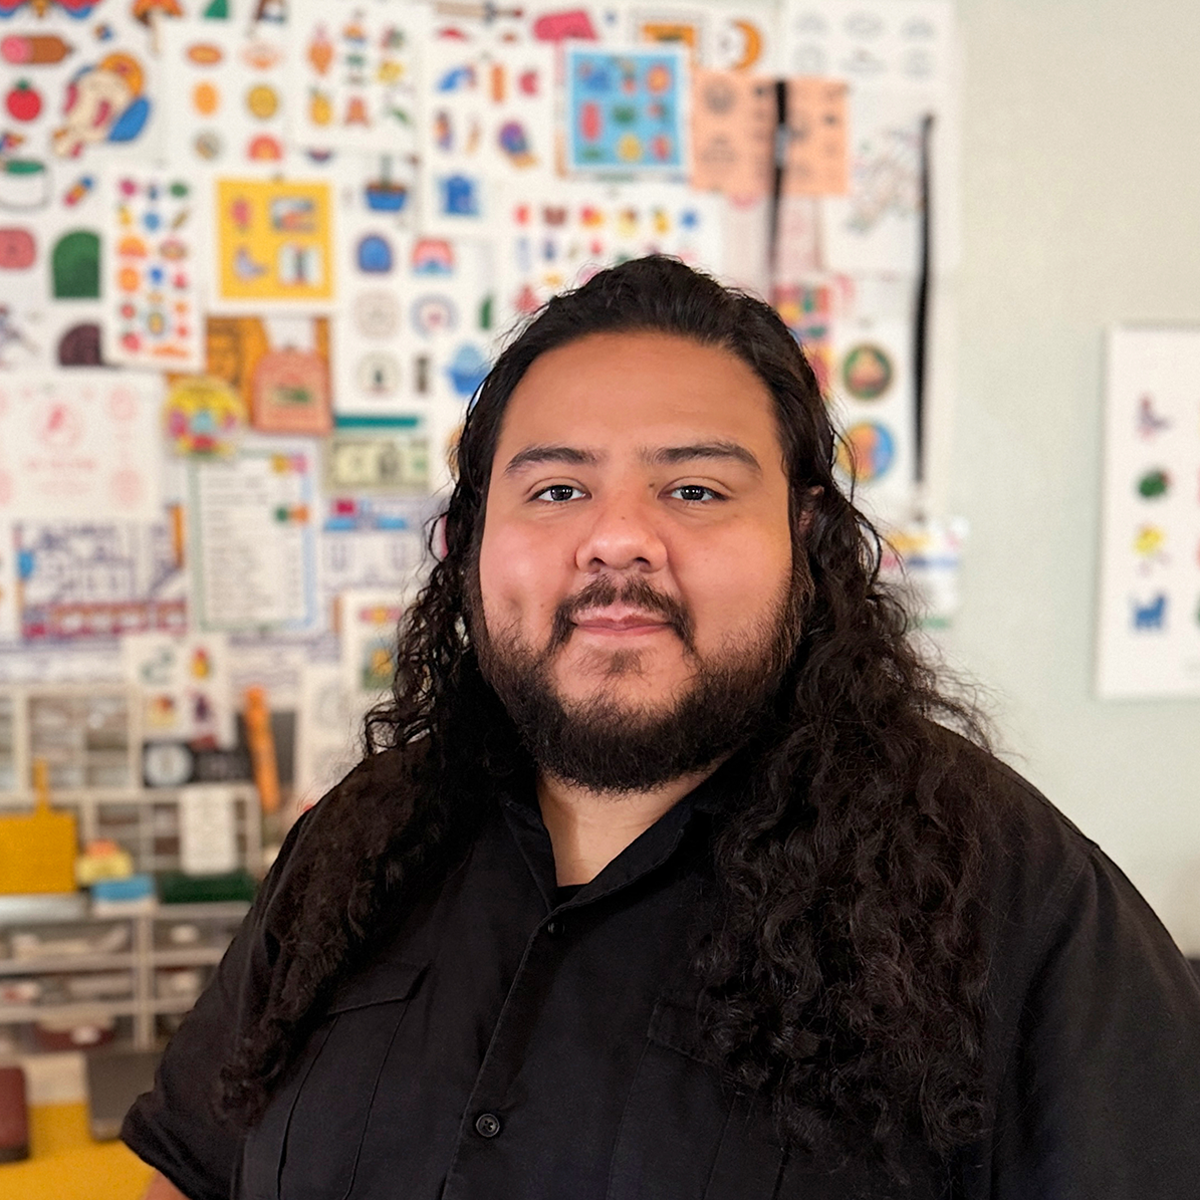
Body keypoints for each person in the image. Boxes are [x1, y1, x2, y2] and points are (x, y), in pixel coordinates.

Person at [124, 257, 1200, 1200]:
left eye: (693, 489)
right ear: (468, 543)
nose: (618, 539)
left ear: (806, 537)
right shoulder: (359, 846)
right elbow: (192, 1167)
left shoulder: (1008, 899)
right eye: (554, 490)